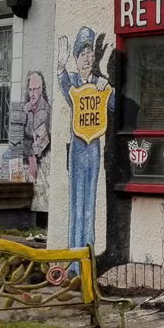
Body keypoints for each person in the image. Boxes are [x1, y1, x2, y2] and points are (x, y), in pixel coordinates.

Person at [58, 27, 114, 250]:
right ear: (76, 57)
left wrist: (108, 87)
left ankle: (86, 257)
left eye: (90, 54)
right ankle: (74, 258)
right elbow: (65, 87)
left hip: (93, 151)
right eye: (82, 54)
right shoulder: (72, 80)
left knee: (89, 204)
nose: (87, 59)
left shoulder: (100, 83)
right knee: (76, 203)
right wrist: (60, 67)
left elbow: (116, 106)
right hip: (76, 150)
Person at [23, 71, 52, 210]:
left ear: (41, 89)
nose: (32, 93)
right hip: (26, 157)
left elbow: (49, 138)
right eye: (30, 89)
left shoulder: (46, 110)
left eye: (35, 89)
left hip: (41, 160)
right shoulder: (26, 108)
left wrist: (40, 147)